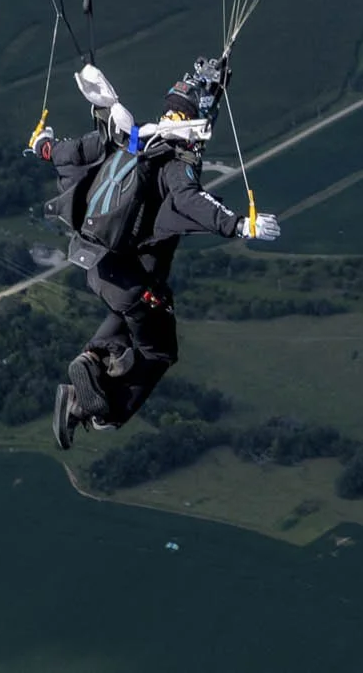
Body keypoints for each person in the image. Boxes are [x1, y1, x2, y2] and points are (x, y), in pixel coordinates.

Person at [30, 58, 277, 450]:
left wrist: (43, 144)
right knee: (159, 351)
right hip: (133, 282)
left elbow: (65, 154)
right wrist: (239, 225)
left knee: (129, 318)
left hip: (99, 267)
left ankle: (93, 361)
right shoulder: (173, 166)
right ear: (192, 128)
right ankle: (94, 408)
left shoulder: (128, 141)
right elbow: (190, 200)